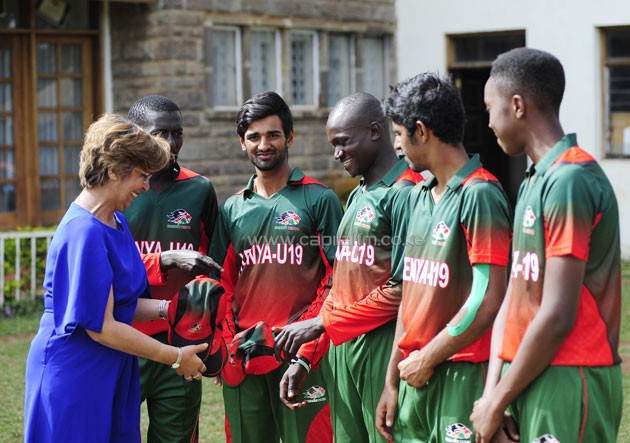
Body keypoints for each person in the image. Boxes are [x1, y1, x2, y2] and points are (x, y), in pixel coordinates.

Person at [24, 114, 209, 443]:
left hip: (111, 368)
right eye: (141, 175)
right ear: (113, 171)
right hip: (76, 371)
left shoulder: (116, 222)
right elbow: (102, 327)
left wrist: (172, 309)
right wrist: (176, 357)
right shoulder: (83, 231)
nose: (146, 186)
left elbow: (122, 303)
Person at [470, 47, 623, 443]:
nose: (488, 122)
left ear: (517, 105)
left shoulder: (571, 180)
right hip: (525, 374)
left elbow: (557, 314)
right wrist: (494, 393)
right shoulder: (534, 180)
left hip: (570, 374)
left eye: (491, 108)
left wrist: (499, 396)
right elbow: (514, 298)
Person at [272, 92, 422, 442]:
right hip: (342, 349)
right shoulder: (357, 194)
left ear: (374, 131)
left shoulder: (406, 194)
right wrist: (307, 357)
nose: (337, 153)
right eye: (333, 144)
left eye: (343, 142)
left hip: (383, 347)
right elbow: (339, 286)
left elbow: (405, 290)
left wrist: (322, 322)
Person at [375, 72, 512, 442]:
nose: (397, 146)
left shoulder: (480, 195)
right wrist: (391, 382)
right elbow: (410, 297)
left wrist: (429, 358)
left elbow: (488, 298)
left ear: (421, 131)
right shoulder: (416, 197)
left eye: (399, 135)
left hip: (462, 375)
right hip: (413, 376)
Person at [208, 91, 343, 443]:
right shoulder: (232, 208)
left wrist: (308, 345)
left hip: (301, 351)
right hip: (247, 352)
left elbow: (337, 279)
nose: (263, 144)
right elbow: (221, 281)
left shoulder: (319, 199)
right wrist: (225, 348)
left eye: (273, 135)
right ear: (242, 143)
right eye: (253, 137)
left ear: (290, 137)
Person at [124, 95, 220, 443]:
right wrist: (162, 261)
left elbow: (217, 267)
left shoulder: (200, 189)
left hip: (181, 344)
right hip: (124, 342)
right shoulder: (117, 192)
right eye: (159, 133)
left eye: (177, 133)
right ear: (136, 134)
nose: (170, 143)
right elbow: (106, 267)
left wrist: (213, 333)